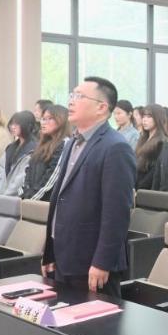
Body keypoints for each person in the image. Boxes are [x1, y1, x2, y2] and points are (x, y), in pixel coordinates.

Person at [42, 77, 136, 296]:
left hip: (92, 261)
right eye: (71, 95)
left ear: (101, 107)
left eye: (79, 96)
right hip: (64, 254)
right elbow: (61, 198)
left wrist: (103, 261)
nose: (71, 101)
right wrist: (50, 251)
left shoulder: (115, 147)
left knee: (97, 318)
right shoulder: (72, 142)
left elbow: (117, 213)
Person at [21, 104, 70, 201]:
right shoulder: (41, 144)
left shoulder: (64, 143)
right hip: (31, 199)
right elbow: (28, 171)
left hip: (46, 202)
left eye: (50, 119)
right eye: (43, 119)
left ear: (62, 120)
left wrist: (31, 199)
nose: (43, 123)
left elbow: (52, 176)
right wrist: (24, 194)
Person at [0, 111, 38, 196]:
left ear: (26, 125)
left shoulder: (33, 149)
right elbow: (1, 172)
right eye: (11, 124)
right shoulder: (10, 147)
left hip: (17, 197)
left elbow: (21, 178)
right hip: (2, 195)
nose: (12, 127)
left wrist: (5, 196)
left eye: (17, 124)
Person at [135, 104, 168, 189]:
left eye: (149, 116)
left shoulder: (162, 142)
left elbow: (155, 172)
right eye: (143, 116)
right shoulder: (142, 139)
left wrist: (139, 187)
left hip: (148, 190)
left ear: (158, 118)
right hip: (136, 185)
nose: (144, 120)